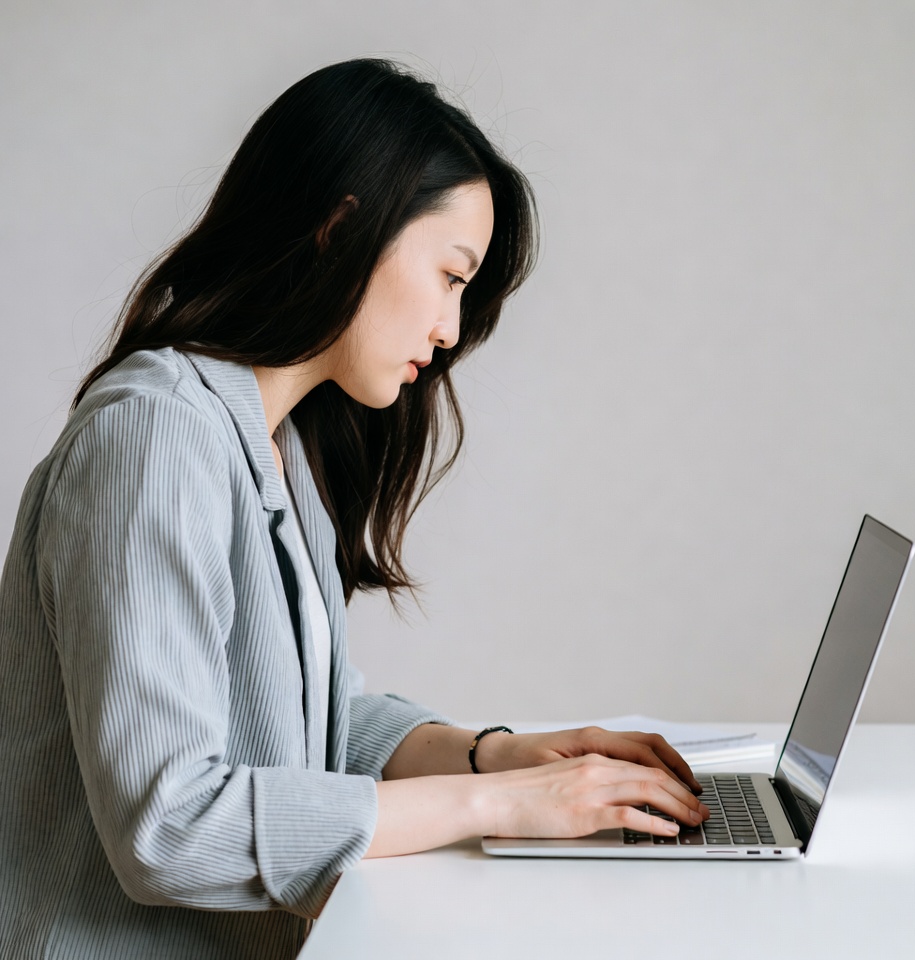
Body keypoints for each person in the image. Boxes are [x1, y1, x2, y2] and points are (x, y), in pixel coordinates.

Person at [0, 59, 709, 959]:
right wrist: (500, 807)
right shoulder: (156, 439)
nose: (452, 330)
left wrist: (498, 756)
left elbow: (315, 727)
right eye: (451, 276)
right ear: (342, 230)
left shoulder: (276, 442)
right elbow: (169, 825)